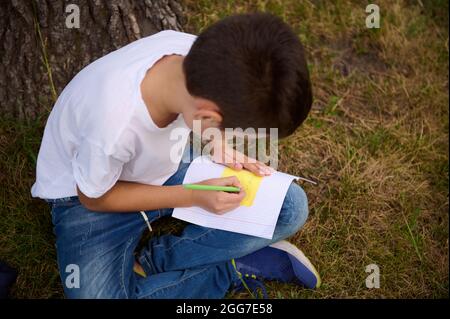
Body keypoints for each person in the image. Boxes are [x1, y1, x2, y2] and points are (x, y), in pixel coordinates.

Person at [31, 13, 320, 298]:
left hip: (164, 164)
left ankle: (155, 262)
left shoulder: (198, 56)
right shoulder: (112, 123)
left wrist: (218, 146)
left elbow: (206, 114)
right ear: (207, 114)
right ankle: (227, 269)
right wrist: (193, 196)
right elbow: (93, 196)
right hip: (90, 198)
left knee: (290, 207)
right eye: (238, 133)